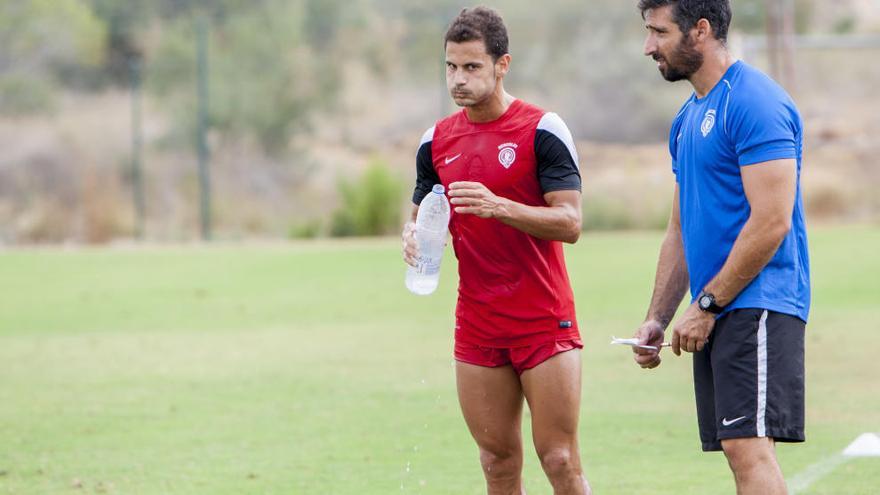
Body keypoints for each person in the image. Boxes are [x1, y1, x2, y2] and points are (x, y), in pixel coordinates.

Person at [401, 6, 591, 495]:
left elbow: (570, 223)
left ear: (502, 65)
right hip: (479, 320)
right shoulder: (436, 142)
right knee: (496, 461)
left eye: (471, 67)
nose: (458, 80)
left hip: (543, 319)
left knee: (560, 458)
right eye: (450, 67)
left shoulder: (542, 129)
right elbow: (430, 219)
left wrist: (499, 206)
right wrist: (416, 238)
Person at [631, 1, 810, 494]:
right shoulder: (687, 119)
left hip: (760, 300)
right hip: (721, 306)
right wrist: (658, 317)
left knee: (747, 447)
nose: (648, 47)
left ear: (701, 30)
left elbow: (771, 221)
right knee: (741, 449)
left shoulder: (756, 102)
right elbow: (680, 230)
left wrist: (708, 304)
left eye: (658, 32)